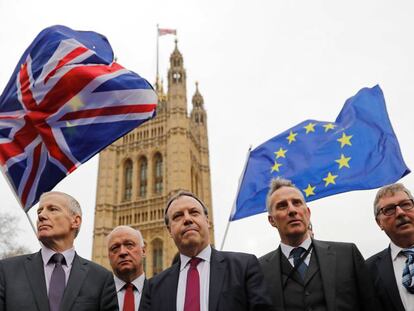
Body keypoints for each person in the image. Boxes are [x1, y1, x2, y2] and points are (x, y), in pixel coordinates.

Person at [259, 177, 380, 311]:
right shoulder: (258, 270)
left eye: (297, 203)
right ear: (271, 220)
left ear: (308, 212)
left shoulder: (347, 255)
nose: (292, 210)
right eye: (282, 206)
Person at [140, 191, 273, 311]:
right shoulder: (153, 287)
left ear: (207, 221)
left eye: (194, 212)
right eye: (178, 216)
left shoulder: (244, 266)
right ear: (169, 230)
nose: (187, 219)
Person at [0, 191, 117, 311]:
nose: (41, 216)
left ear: (75, 221)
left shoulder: (100, 278)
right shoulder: (6, 271)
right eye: (39, 211)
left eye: (53, 209)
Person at [366, 183, 414, 311]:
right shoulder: (367, 271)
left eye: (405, 205)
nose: (400, 213)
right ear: (379, 222)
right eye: (389, 209)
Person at [107, 225, 146, 311]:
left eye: (129, 245)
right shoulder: (95, 295)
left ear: (143, 251)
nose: (122, 252)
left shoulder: (163, 292)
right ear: (108, 256)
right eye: (115, 248)